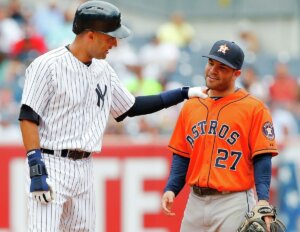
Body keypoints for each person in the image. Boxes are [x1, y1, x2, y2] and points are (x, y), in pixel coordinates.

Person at [18, 1, 207, 231]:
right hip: (51, 163)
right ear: (90, 35)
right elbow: (28, 115)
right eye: (110, 37)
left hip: (84, 167)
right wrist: (35, 166)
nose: (115, 44)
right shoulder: (47, 65)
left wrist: (183, 93)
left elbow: (131, 107)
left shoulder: (103, 70)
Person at [161, 40, 279, 231]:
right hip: (195, 201)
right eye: (211, 63)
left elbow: (262, 157)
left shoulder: (254, 108)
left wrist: (263, 199)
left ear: (236, 73)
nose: (213, 70)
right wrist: (172, 188)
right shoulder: (192, 105)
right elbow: (182, 154)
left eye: (222, 67)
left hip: (233, 201)